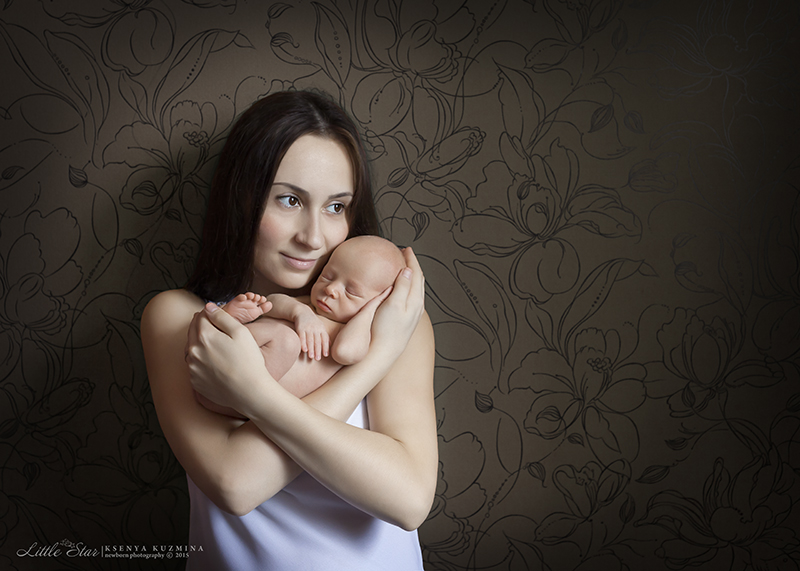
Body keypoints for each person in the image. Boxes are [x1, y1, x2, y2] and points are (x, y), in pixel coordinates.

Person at [140, 90, 436, 570]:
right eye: (290, 199)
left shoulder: (392, 321)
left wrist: (255, 394)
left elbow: (409, 500)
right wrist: (375, 361)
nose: (313, 237)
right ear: (242, 197)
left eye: (336, 207)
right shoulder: (184, 318)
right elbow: (236, 484)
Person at [196, 235, 405, 417]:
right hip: (216, 371)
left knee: (286, 340)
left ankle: (222, 327)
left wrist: (370, 311)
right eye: (327, 276)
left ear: (378, 302)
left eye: (351, 292)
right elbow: (272, 303)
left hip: (240, 400)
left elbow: (346, 352)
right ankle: (223, 323)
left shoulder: (354, 331)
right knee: (264, 317)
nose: (330, 289)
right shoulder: (308, 306)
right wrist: (300, 313)